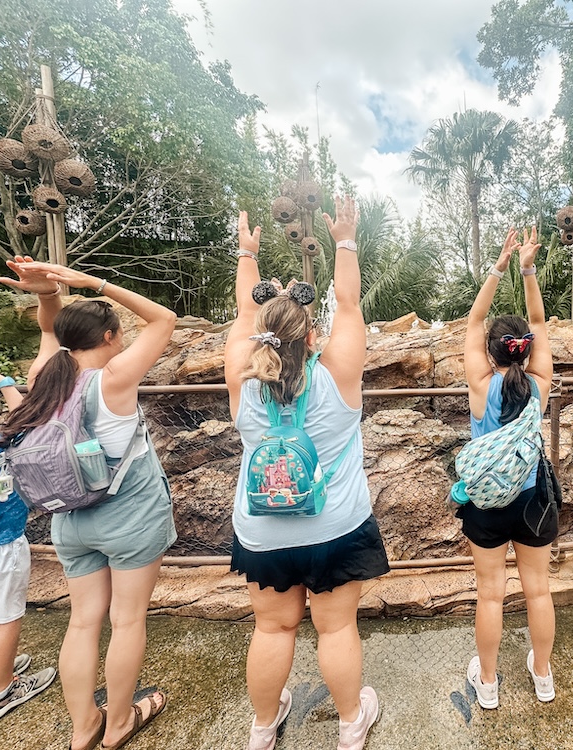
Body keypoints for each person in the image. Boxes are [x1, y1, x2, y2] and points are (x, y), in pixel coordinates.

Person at [225, 198, 389, 750]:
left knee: (271, 628)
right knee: (336, 627)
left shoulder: (240, 379)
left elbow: (244, 317)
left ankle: (263, 729)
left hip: (263, 530)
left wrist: (247, 254)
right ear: (311, 337)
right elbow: (347, 302)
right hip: (337, 524)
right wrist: (345, 239)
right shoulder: (339, 373)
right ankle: (349, 726)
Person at [0, 259, 176, 750]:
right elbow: (164, 318)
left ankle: (83, 730)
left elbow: (53, 341)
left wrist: (47, 296)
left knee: (81, 623)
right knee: (127, 620)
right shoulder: (114, 380)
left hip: (70, 520)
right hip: (130, 520)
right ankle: (118, 722)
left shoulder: (42, 379)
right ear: (113, 336)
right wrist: (91, 283)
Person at [458, 226, 557, 709]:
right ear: (528, 348)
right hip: (533, 499)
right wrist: (528, 269)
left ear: (492, 350)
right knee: (538, 591)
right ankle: (542, 676)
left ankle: (490, 683)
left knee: (491, 595)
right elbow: (538, 318)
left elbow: (472, 322)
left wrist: (499, 266)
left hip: (486, 502)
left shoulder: (480, 383)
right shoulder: (540, 382)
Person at [0, 363, 56, 724]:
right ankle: (2, 692)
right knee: (6, 617)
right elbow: (28, 421)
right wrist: (1, 380)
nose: (0, 426)